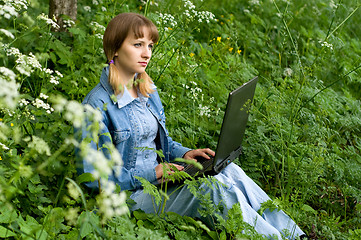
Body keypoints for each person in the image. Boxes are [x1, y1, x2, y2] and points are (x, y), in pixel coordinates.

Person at [78, 12, 306, 239]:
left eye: (150, 45)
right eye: (138, 44)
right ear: (116, 48)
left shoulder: (146, 89)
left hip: (159, 183)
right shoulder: (97, 105)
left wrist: (184, 153)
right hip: (129, 198)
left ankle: (295, 235)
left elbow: (157, 143)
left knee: (228, 170)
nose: (146, 53)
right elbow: (92, 177)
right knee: (211, 190)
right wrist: (152, 172)